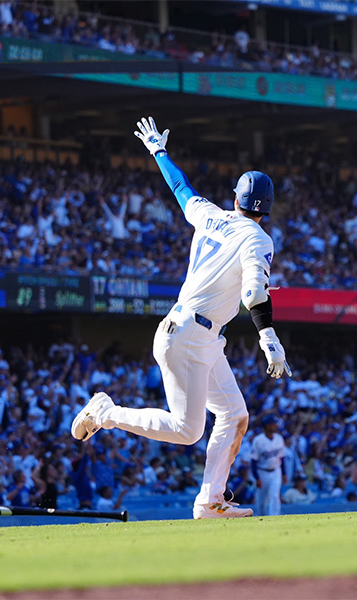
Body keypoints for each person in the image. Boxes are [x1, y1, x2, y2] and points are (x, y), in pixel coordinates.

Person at [71, 116, 292, 520]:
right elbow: (252, 294)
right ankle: (106, 412)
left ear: (236, 197)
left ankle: (210, 500)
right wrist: (269, 339)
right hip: (189, 335)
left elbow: (179, 187)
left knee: (235, 415)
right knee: (188, 431)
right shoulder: (258, 238)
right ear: (269, 208)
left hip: (198, 335)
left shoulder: (209, 214)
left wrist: (159, 151)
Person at [251, 414, 285, 516]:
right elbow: (253, 461)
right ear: (267, 426)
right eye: (273, 424)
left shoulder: (279, 438)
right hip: (262, 472)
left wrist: (284, 474)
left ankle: (274, 517)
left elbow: (281, 457)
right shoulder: (258, 440)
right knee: (261, 499)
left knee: (275, 496)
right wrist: (257, 478)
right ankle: (261, 517)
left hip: (276, 471)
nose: (276, 426)